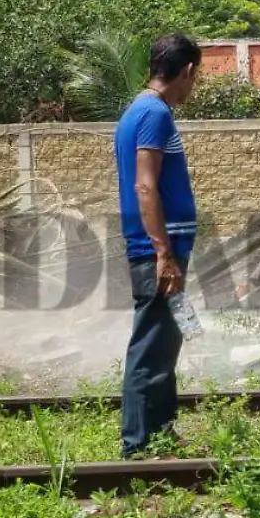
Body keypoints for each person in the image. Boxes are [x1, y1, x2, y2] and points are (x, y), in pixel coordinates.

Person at [114, 33, 201, 457]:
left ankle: (162, 431)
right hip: (156, 249)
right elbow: (145, 187)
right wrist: (163, 254)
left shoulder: (140, 110)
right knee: (150, 343)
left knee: (167, 339)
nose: (193, 87)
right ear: (186, 71)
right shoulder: (154, 113)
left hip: (163, 246)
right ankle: (137, 445)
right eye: (194, 78)